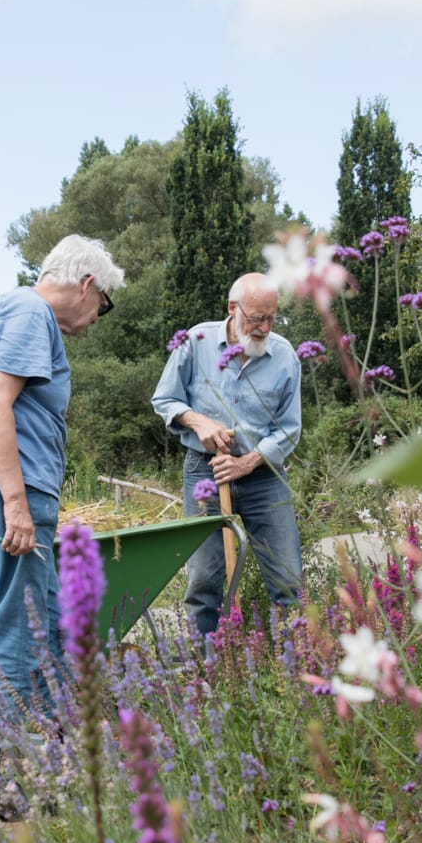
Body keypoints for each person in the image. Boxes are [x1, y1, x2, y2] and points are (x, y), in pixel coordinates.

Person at [0, 234, 123, 803]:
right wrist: (17, 505)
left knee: (46, 618)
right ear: (87, 285)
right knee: (18, 622)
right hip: (6, 488)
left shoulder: (7, 308)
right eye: (104, 305)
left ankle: (60, 751)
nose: (98, 318)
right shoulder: (29, 312)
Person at [151, 272, 304, 637]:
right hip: (205, 473)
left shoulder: (284, 357)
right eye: (256, 318)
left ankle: (297, 667)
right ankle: (205, 668)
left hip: (264, 475)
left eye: (272, 318)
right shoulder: (195, 342)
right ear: (233, 309)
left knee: (287, 579)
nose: (265, 327)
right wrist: (198, 422)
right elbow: (165, 399)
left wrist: (247, 462)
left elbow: (289, 428)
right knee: (204, 579)